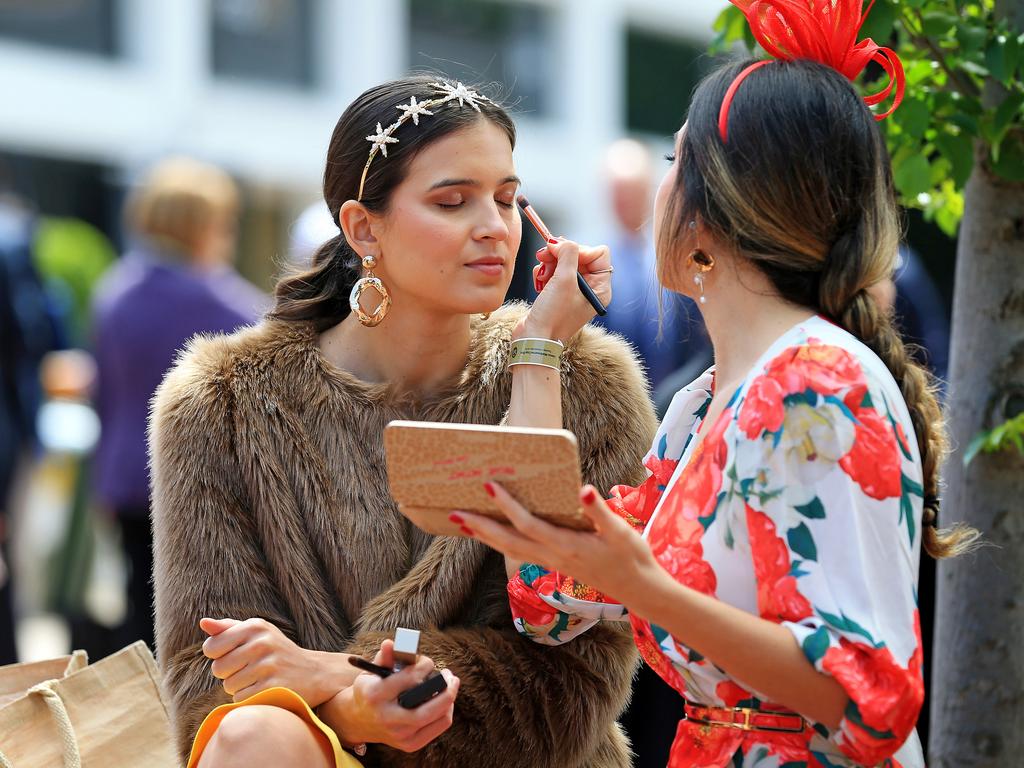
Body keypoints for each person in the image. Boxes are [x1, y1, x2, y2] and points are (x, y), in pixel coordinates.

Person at [453, 4, 980, 767]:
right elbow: (548, 590)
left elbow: (865, 696)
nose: (662, 189)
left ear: (715, 213)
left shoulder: (815, 386)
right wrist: (540, 342)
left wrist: (648, 588)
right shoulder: (705, 401)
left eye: (673, 165)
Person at [150, 75, 655, 768]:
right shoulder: (221, 403)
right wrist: (357, 710)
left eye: (508, 199)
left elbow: (578, 675)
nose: (493, 227)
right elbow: (211, 677)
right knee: (251, 735)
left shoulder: (588, 381)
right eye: (453, 201)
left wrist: (338, 673)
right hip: (310, 754)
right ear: (363, 228)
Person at [92, 157, 267, 653]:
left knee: (133, 606)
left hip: (123, 476)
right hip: (195, 478)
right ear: (204, 226)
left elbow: (103, 392)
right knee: (190, 620)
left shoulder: (114, 292)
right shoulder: (229, 306)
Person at [594, 139, 709, 391]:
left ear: (648, 191)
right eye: (618, 194)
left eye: (631, 193)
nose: (624, 203)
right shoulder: (588, 263)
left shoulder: (683, 256)